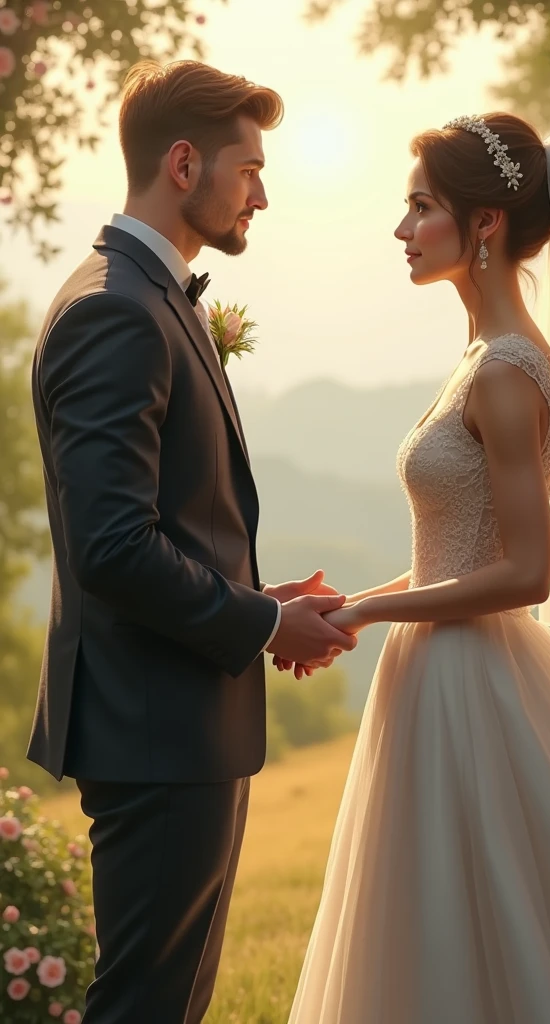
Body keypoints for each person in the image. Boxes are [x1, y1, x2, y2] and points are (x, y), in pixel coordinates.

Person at [284, 113, 550, 1023]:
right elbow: (451, 552)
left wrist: (371, 618)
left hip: (475, 680)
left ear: (486, 224)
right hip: (437, 669)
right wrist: (349, 602)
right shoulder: (478, 358)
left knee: (493, 912)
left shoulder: (507, 371)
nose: (401, 230)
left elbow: (526, 573)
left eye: (420, 206)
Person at [28, 60, 355, 1024]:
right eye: (248, 168)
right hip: (155, 727)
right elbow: (114, 546)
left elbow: (160, 515)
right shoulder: (114, 312)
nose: (263, 191)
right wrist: (260, 624)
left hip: (176, 719)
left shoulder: (143, 293)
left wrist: (264, 598)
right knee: (145, 1006)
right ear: (182, 163)